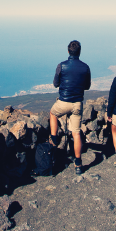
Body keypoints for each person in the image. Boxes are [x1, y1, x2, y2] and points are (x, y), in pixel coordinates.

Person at [50, 40, 91, 175]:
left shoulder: (61, 66)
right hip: (77, 104)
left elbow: (55, 83)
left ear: (68, 51)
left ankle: (54, 139)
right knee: (76, 132)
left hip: (63, 102)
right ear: (79, 52)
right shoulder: (85, 67)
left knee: (53, 114)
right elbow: (87, 86)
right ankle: (78, 164)